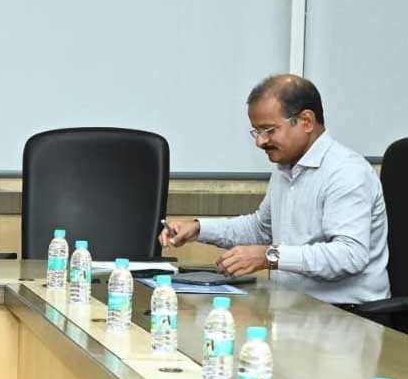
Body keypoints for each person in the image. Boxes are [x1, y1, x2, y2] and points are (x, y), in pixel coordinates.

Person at [160, 74, 390, 305]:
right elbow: (261, 229)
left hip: (347, 313)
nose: (260, 141)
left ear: (306, 121)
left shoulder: (347, 172)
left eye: (269, 130)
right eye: (256, 131)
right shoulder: (286, 169)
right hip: (292, 307)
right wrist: (199, 229)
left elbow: (349, 255)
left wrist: (269, 256)